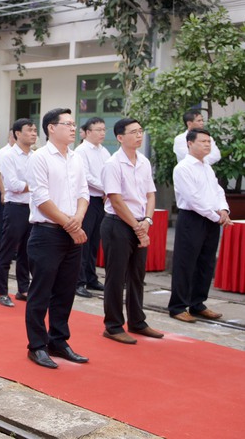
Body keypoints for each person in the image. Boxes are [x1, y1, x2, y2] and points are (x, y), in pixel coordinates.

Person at [23, 109, 90, 369]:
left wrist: (77, 219)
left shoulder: (76, 158)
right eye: (68, 124)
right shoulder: (39, 158)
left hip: (72, 231)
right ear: (51, 128)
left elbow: (84, 193)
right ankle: (37, 345)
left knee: (65, 291)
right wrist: (69, 224)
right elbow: (41, 198)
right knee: (41, 292)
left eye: (74, 124)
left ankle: (59, 340)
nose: (73, 129)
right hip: (47, 233)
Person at [101, 118, 163, 344]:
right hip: (117, 224)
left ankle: (137, 321)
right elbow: (115, 200)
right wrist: (138, 227)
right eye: (134, 132)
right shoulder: (113, 164)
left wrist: (147, 220)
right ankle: (113, 325)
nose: (139, 135)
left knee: (137, 276)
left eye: (140, 131)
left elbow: (150, 194)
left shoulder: (144, 162)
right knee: (116, 277)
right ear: (120, 137)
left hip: (141, 223)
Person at [169, 129, 232, 322]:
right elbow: (193, 199)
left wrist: (224, 210)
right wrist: (216, 216)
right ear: (190, 143)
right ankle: (178, 306)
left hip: (212, 219)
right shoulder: (183, 168)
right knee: (185, 262)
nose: (208, 145)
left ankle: (198, 303)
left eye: (209, 141)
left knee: (206, 262)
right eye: (203, 141)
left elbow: (218, 191)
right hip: (192, 219)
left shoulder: (206, 167)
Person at [0, 119, 37, 307]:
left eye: (35, 130)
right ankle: (2, 291)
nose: (34, 134)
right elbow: (13, 185)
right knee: (7, 249)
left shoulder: (36, 156)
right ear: (18, 133)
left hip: (32, 208)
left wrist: (33, 187)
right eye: (29, 130)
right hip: (15, 207)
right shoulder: (8, 156)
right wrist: (35, 186)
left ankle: (23, 288)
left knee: (27, 251)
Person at [74, 117, 110, 298]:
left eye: (104, 129)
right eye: (98, 130)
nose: (102, 133)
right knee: (84, 241)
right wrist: (106, 188)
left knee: (95, 240)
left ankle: (91, 277)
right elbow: (86, 176)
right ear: (88, 132)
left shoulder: (104, 152)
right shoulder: (81, 151)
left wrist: (109, 189)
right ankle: (78, 281)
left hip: (100, 201)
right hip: (86, 200)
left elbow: (109, 173)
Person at [0, 130, 16, 246]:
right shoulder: (3, 153)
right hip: (5, 191)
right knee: (4, 223)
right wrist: (3, 192)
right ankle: (2, 247)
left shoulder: (19, 152)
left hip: (16, 194)